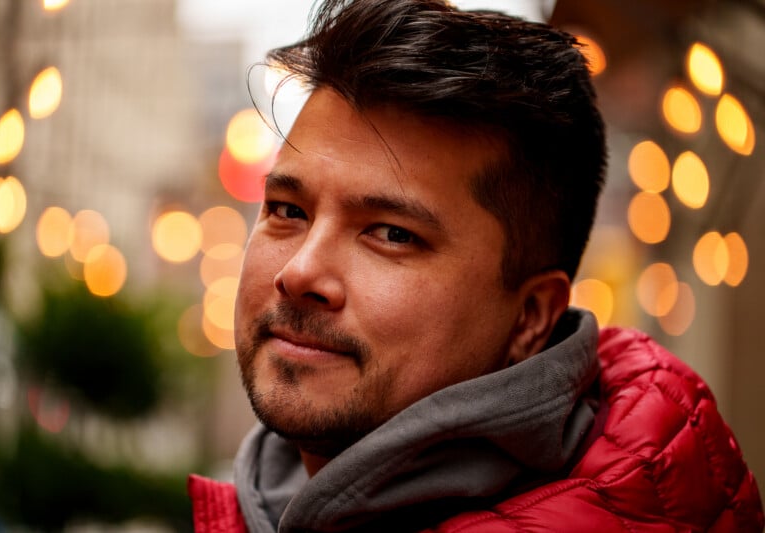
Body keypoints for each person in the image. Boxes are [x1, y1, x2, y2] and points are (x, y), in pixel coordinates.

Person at [189, 0, 764, 531]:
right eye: (288, 209)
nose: (299, 273)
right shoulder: (255, 501)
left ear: (531, 317)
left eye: (391, 233)